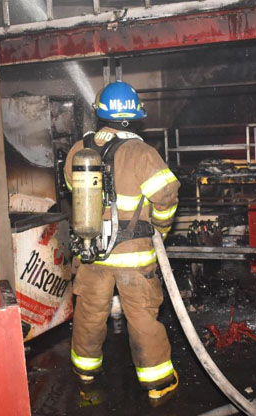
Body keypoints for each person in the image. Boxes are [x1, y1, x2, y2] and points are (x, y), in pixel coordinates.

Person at [63, 81, 181, 400]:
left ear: (100, 113)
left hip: (92, 251)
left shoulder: (79, 150)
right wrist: (160, 230)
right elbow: (166, 196)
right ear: (134, 116)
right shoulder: (143, 154)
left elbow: (72, 189)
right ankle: (157, 384)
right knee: (142, 317)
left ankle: (85, 372)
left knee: (89, 314)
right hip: (134, 256)